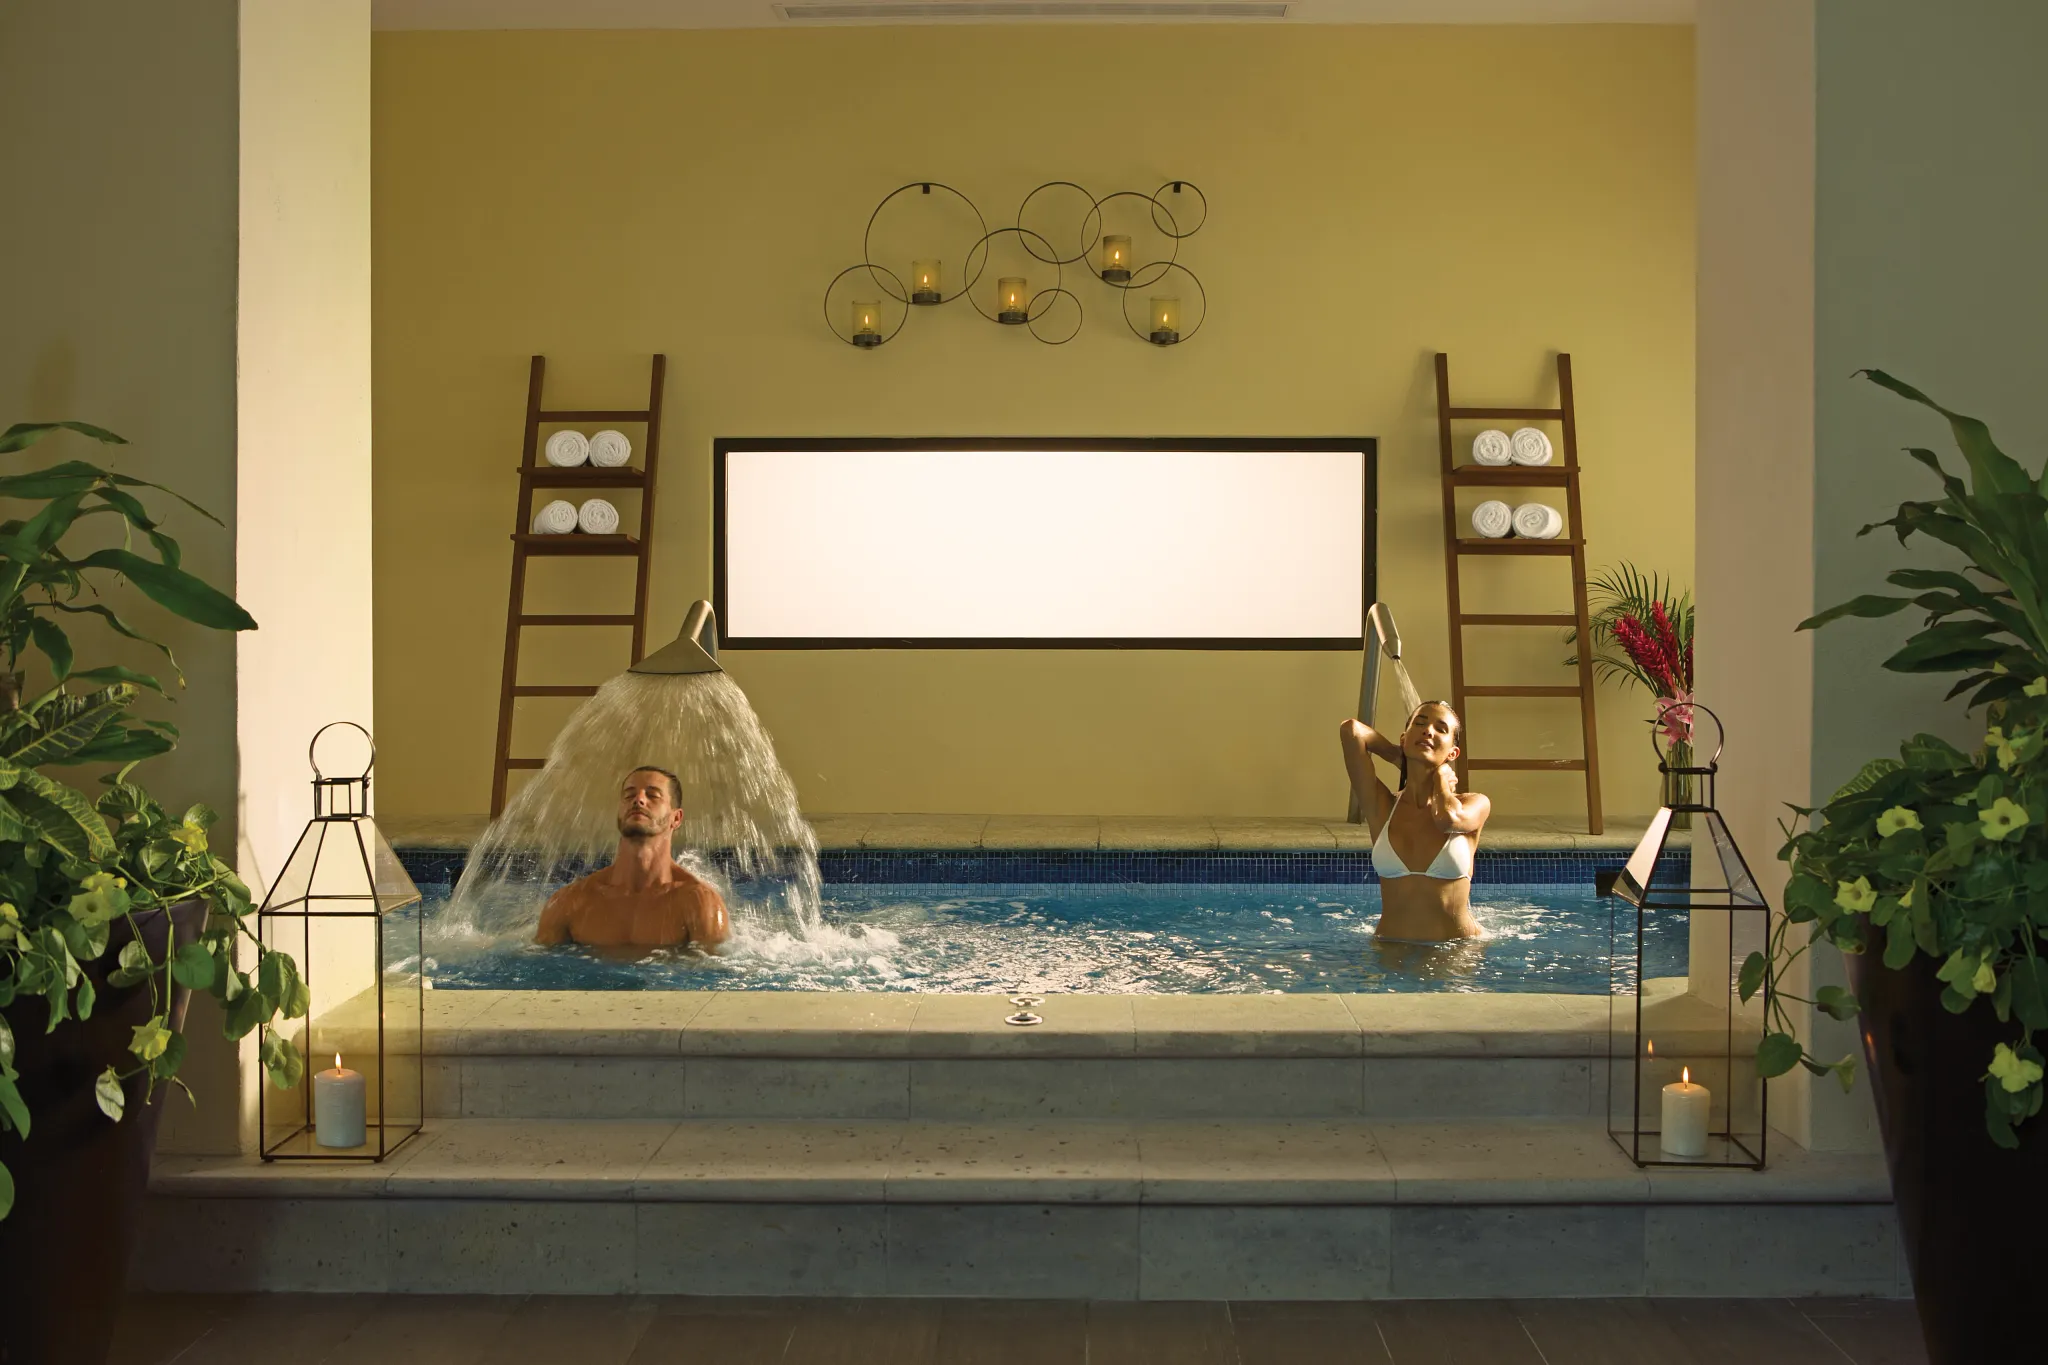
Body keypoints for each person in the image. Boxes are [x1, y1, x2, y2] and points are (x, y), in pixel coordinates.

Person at [1337, 701, 1491, 942]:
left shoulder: (1475, 803)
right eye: (1419, 724)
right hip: (1390, 952)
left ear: (1453, 753)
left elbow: (1446, 819)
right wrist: (1395, 756)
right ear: (1404, 738)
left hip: (1455, 955)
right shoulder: (1383, 808)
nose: (1428, 730)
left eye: (1441, 729)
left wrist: (1441, 777)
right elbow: (1351, 731)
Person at [533, 766, 731, 949]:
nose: (639, 800)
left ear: (676, 818)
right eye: (629, 796)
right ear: (619, 812)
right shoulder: (570, 903)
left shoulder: (699, 905)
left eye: (653, 795)